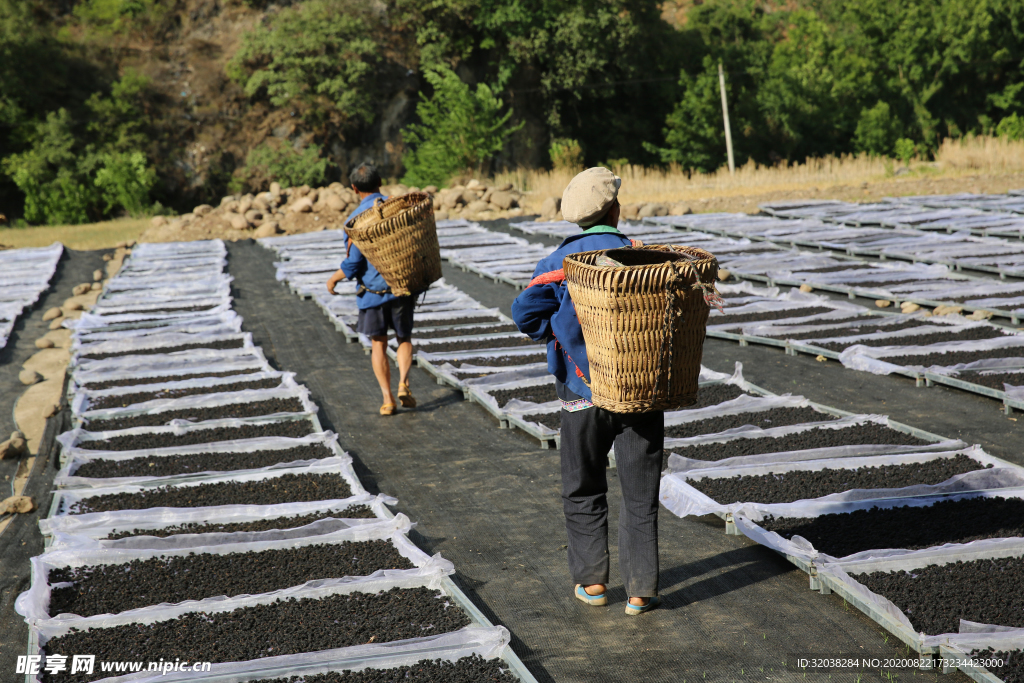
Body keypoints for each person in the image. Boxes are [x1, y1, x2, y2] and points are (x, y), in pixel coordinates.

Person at [511, 167, 663, 615]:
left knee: (582, 486)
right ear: (615, 211)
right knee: (639, 491)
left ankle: (593, 584)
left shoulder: (555, 266)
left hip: (580, 392)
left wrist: (558, 333)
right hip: (639, 389)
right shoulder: (643, 256)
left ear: (575, 219)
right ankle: (641, 590)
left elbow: (525, 314)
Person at [326, 163, 416, 416]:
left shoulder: (356, 220)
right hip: (401, 287)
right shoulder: (399, 208)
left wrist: (333, 278)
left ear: (354, 188)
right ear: (380, 182)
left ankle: (388, 400)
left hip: (373, 292)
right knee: (404, 338)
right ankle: (403, 383)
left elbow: (354, 264)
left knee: (379, 343)